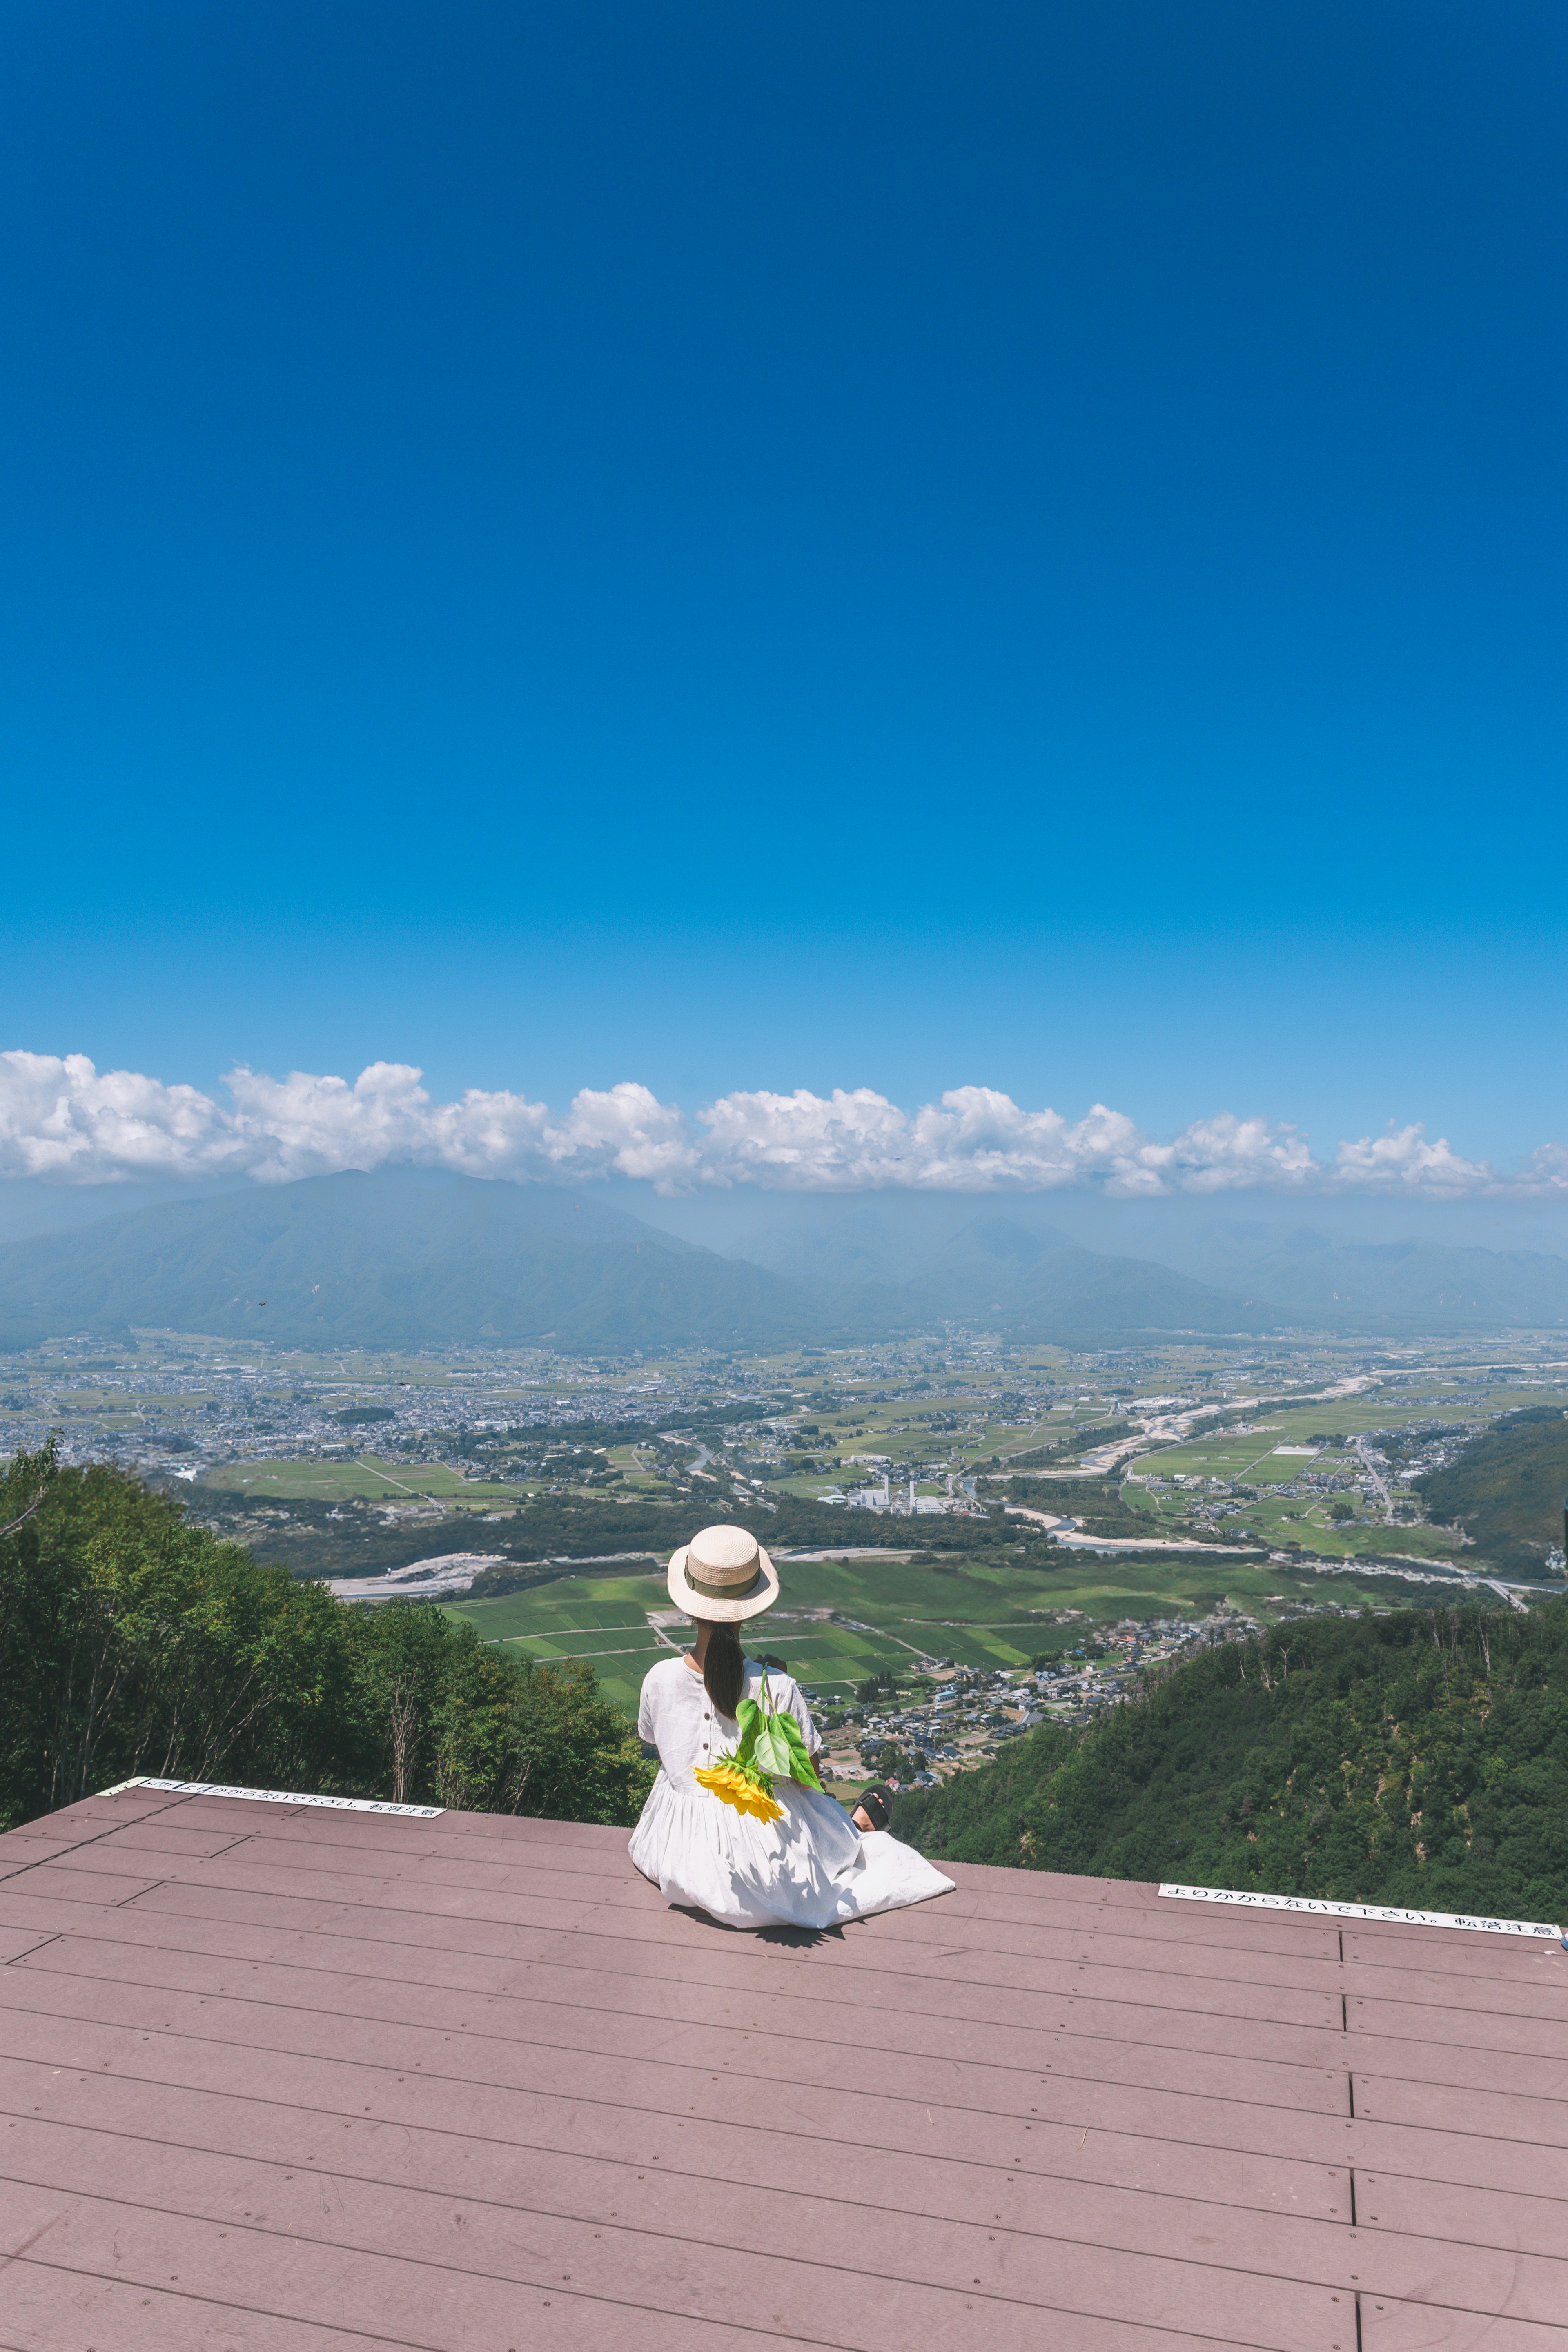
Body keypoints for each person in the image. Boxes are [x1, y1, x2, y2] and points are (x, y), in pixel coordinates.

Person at [629, 1523, 955, 1930]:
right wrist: (773, 1688)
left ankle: (851, 1827)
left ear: (690, 1604)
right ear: (749, 1609)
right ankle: (856, 1826)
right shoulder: (777, 1687)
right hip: (757, 1855)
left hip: (677, 1853)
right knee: (830, 1826)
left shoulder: (659, 1677)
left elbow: (657, 1741)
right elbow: (807, 1780)